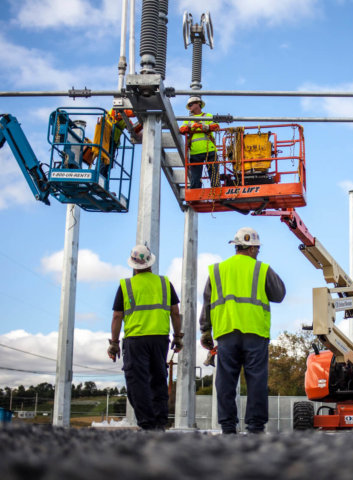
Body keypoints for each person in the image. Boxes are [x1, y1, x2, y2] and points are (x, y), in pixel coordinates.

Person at [199, 227, 286, 434]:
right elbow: (279, 294)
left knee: (225, 381)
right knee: (256, 380)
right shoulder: (262, 269)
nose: (258, 253)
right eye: (257, 249)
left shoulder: (217, 270)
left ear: (236, 246)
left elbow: (207, 302)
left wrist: (205, 331)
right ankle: (255, 427)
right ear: (253, 248)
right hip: (255, 332)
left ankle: (228, 427)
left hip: (226, 332)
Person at [107, 244, 183, 431]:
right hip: (159, 339)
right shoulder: (164, 283)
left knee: (137, 382)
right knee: (158, 379)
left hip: (135, 340)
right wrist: (178, 336)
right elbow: (175, 312)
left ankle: (147, 423)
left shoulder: (126, 285)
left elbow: (117, 316)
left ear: (133, 264)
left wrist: (114, 343)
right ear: (150, 262)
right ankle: (159, 422)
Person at [179, 96, 220, 189]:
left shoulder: (207, 116)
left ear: (198, 104)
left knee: (214, 176)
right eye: (189, 105)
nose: (189, 107)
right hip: (195, 152)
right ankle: (195, 194)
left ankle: (216, 192)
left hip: (210, 150)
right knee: (195, 178)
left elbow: (216, 126)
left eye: (191, 104)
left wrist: (204, 127)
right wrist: (190, 127)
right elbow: (181, 130)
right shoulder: (188, 119)